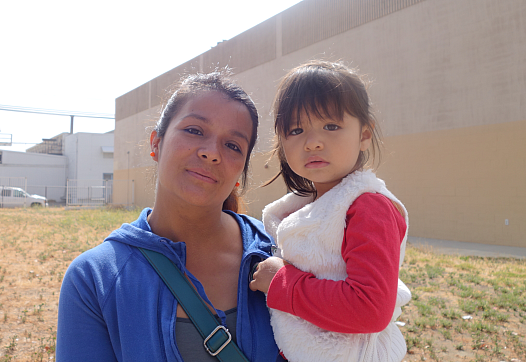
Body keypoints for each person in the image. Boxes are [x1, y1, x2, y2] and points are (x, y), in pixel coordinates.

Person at [57, 71, 284, 362]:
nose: (211, 153)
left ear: (240, 174)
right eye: (194, 130)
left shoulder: (277, 250)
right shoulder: (94, 279)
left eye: (232, 146)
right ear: (156, 143)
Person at [249, 60, 412, 362]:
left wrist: (280, 283)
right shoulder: (308, 206)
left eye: (331, 126)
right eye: (296, 129)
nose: (312, 142)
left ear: (364, 134)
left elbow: (370, 309)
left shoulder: (368, 206)